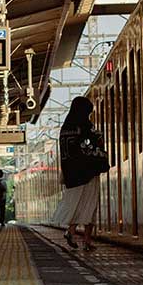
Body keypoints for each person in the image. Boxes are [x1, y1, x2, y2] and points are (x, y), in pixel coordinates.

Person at [50, 96, 105, 251]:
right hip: (87, 173)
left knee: (76, 204)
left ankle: (71, 231)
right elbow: (94, 144)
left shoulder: (65, 128)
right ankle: (86, 241)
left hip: (71, 175)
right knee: (90, 205)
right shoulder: (85, 126)